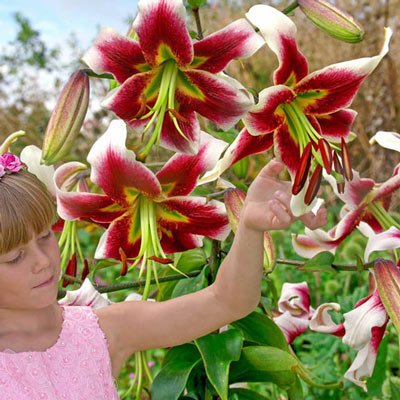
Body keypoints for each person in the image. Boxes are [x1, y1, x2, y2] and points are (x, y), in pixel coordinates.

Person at [0, 154, 326, 399]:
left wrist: (251, 225)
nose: (43, 261)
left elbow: (227, 301)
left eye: (45, 236)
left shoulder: (100, 332)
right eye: (15, 257)